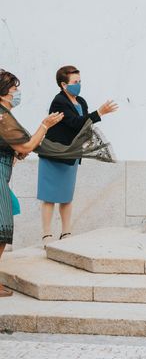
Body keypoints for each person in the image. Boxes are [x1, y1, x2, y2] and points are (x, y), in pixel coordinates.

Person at [0, 69, 64, 297]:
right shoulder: (1, 115)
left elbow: (20, 146)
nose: (16, 94)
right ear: (3, 93)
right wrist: (45, 125)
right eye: (14, 90)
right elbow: (26, 146)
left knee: (8, 212)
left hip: (3, 173)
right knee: (1, 226)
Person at [37, 66, 118, 244]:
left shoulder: (80, 101)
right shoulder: (59, 101)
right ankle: (46, 235)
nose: (79, 85)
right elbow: (74, 123)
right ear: (63, 85)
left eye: (80, 81)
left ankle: (66, 233)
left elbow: (84, 126)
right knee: (49, 196)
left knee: (66, 196)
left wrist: (94, 118)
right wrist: (99, 113)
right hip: (54, 153)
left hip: (71, 154)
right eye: (75, 82)